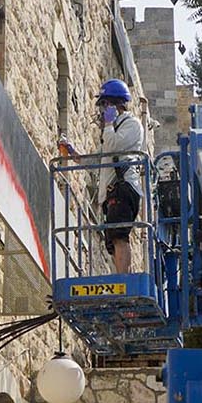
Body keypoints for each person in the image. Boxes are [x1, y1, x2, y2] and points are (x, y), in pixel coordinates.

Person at [60, 79, 144, 275]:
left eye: (105, 104)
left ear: (116, 104)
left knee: (119, 236)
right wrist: (74, 155)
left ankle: (124, 279)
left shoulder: (132, 125)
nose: (102, 110)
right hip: (113, 191)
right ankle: (121, 276)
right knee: (112, 240)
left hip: (124, 188)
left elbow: (113, 146)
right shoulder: (113, 130)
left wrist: (107, 124)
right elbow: (97, 160)